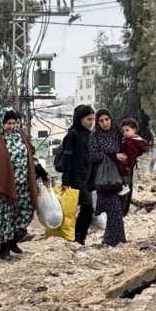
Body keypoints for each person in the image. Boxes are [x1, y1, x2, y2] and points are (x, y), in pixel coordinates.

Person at [0, 108, 49, 261]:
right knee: (6, 216)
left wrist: (42, 173)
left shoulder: (20, 134)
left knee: (23, 211)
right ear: (1, 122)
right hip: (3, 185)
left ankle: (14, 240)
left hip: (23, 184)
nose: (11, 126)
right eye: (8, 123)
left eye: (14, 123)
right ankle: (4, 248)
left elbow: (31, 157)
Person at [90, 109, 128, 247]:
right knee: (115, 212)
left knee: (119, 210)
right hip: (105, 180)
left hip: (120, 178)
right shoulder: (95, 136)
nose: (105, 123)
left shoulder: (117, 133)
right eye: (101, 121)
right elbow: (94, 156)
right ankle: (119, 241)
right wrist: (113, 156)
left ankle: (108, 240)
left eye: (107, 119)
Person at [61, 105, 96, 245]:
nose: (91, 122)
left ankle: (81, 236)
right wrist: (65, 180)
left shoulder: (89, 135)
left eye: (93, 119)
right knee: (86, 205)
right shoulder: (73, 134)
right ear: (80, 119)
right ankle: (77, 235)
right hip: (76, 177)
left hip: (87, 177)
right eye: (88, 119)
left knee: (88, 208)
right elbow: (67, 158)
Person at [117, 117, 148, 215]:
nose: (125, 133)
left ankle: (122, 211)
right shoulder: (130, 140)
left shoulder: (132, 143)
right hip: (125, 168)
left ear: (134, 130)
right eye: (123, 131)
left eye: (127, 130)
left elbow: (132, 156)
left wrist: (128, 167)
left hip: (126, 169)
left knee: (125, 189)